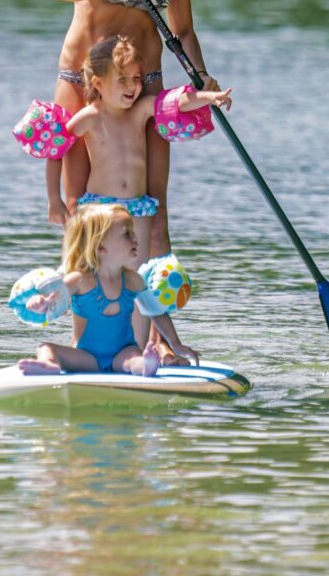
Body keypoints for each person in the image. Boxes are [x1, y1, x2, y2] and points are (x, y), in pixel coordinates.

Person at [46, 0, 222, 260]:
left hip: (145, 86)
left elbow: (183, 30)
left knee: (154, 216)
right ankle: (90, 321)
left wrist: (202, 80)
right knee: (81, 210)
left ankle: (156, 325)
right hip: (84, 82)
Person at [14, 33, 232, 348]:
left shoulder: (141, 109)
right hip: (99, 212)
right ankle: (82, 345)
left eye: (136, 79)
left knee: (137, 280)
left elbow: (177, 102)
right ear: (98, 83)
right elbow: (56, 149)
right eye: (122, 79)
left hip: (138, 210)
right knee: (88, 277)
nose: (132, 86)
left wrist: (208, 98)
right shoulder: (90, 116)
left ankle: (137, 349)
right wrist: (53, 199)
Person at [17, 202, 199, 376]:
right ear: (101, 246)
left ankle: (146, 365)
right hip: (85, 357)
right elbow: (54, 297)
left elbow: (156, 312)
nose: (136, 238)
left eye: (133, 232)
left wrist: (176, 344)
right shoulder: (81, 279)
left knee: (133, 358)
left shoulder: (132, 280)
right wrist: (40, 302)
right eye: (127, 234)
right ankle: (50, 364)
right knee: (45, 348)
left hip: (123, 354)